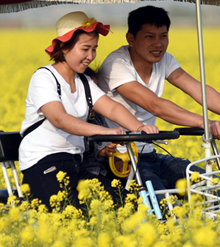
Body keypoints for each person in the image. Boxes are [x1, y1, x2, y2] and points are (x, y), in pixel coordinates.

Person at [95, 5, 220, 194]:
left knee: (217, 189)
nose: (158, 44)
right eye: (150, 37)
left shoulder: (165, 60)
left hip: (150, 154)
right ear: (131, 39)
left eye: (163, 36)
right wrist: (204, 123)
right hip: (122, 158)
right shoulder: (116, 65)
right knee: (163, 206)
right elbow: (155, 106)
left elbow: (199, 91)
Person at [19, 11, 158, 213]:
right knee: (73, 214)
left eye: (94, 49)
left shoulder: (82, 81)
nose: (91, 57)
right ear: (64, 47)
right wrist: (105, 132)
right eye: (85, 49)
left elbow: (110, 107)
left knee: (128, 205)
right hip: (43, 164)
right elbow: (59, 119)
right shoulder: (44, 77)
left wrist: (139, 128)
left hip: (76, 164)